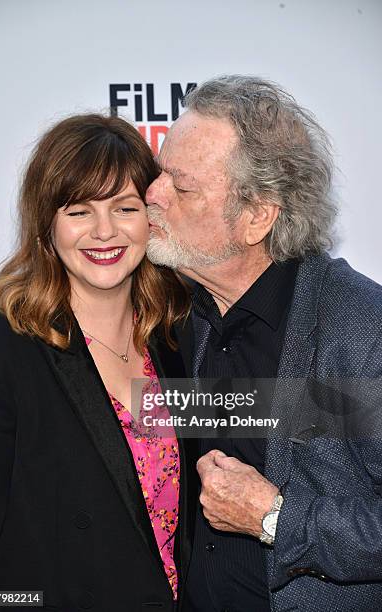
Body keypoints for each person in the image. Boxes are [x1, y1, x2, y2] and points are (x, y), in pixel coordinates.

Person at [145, 75, 382, 611]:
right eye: (159, 173)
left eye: (182, 189)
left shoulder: (360, 328)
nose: (152, 196)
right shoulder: (181, 314)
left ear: (256, 217)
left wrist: (277, 518)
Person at [0, 113, 194, 611]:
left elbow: (284, 417)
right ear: (46, 225)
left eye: (124, 207)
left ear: (151, 217)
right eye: (78, 211)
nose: (104, 231)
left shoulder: (177, 342)